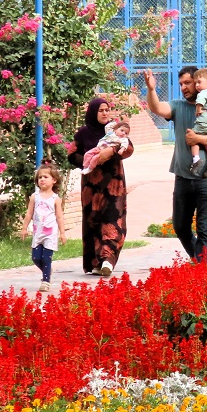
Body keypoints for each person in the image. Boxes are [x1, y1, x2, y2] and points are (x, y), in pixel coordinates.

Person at [144, 66, 207, 262]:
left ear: (199, 82)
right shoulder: (178, 106)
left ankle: (201, 269)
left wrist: (198, 139)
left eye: (188, 83)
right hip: (183, 178)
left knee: (204, 230)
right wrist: (151, 90)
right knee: (180, 226)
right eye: (181, 84)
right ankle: (200, 262)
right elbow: (158, 108)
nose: (184, 87)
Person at [67, 97, 134, 277]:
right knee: (93, 222)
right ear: (93, 113)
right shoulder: (83, 133)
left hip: (114, 186)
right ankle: (96, 262)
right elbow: (72, 155)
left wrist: (110, 151)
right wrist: (92, 161)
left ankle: (108, 260)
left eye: (107, 110)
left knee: (113, 220)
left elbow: (128, 148)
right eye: (101, 110)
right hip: (91, 188)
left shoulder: (114, 130)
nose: (105, 113)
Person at [20, 163, 66, 293]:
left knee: (46, 258)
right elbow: (29, 213)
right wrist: (24, 228)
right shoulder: (35, 197)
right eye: (40, 177)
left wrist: (62, 233)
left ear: (54, 180)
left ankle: (45, 281)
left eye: (46, 177)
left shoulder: (55, 199)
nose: (42, 179)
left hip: (50, 234)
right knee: (36, 258)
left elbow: (59, 217)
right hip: (38, 233)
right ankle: (47, 269)